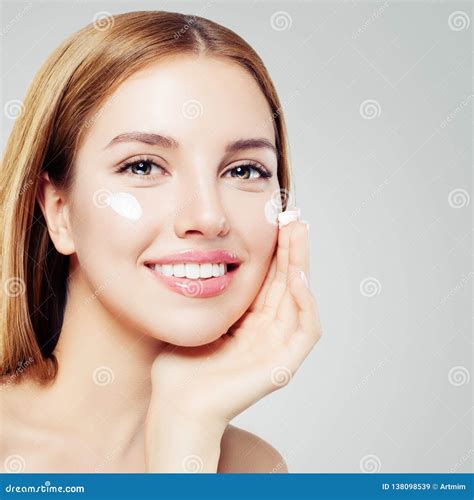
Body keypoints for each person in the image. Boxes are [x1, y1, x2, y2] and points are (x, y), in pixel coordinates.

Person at [0, 10, 322, 473]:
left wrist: (185, 428)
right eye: (143, 167)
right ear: (59, 211)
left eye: (244, 170)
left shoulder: (253, 469)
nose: (208, 217)